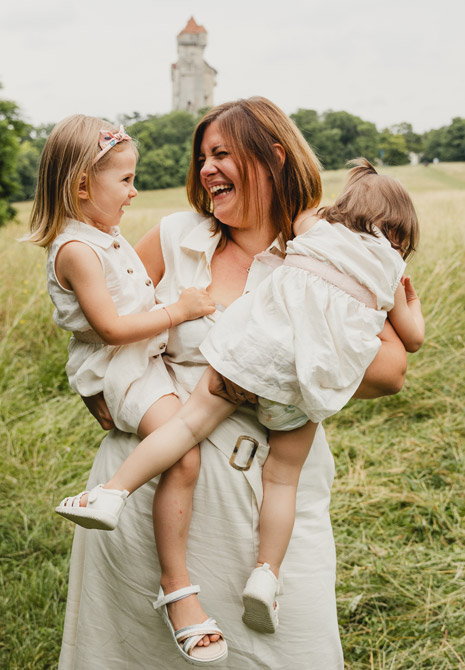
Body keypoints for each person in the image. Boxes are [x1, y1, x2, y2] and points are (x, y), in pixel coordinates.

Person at [57, 97, 408, 670]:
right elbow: (101, 323)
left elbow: (392, 370)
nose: (205, 169)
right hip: (154, 500)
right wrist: (102, 388)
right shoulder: (174, 237)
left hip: (271, 506)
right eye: (202, 157)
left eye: (221, 154)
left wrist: (271, 355)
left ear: (272, 157)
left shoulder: (334, 247)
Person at [27, 115, 227, 665]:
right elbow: (112, 328)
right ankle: (167, 573)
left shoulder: (104, 237)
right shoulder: (77, 251)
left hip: (140, 363)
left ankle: (121, 502)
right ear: (82, 187)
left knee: (187, 438)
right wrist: (178, 311)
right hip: (122, 370)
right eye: (126, 181)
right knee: (182, 456)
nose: (135, 192)